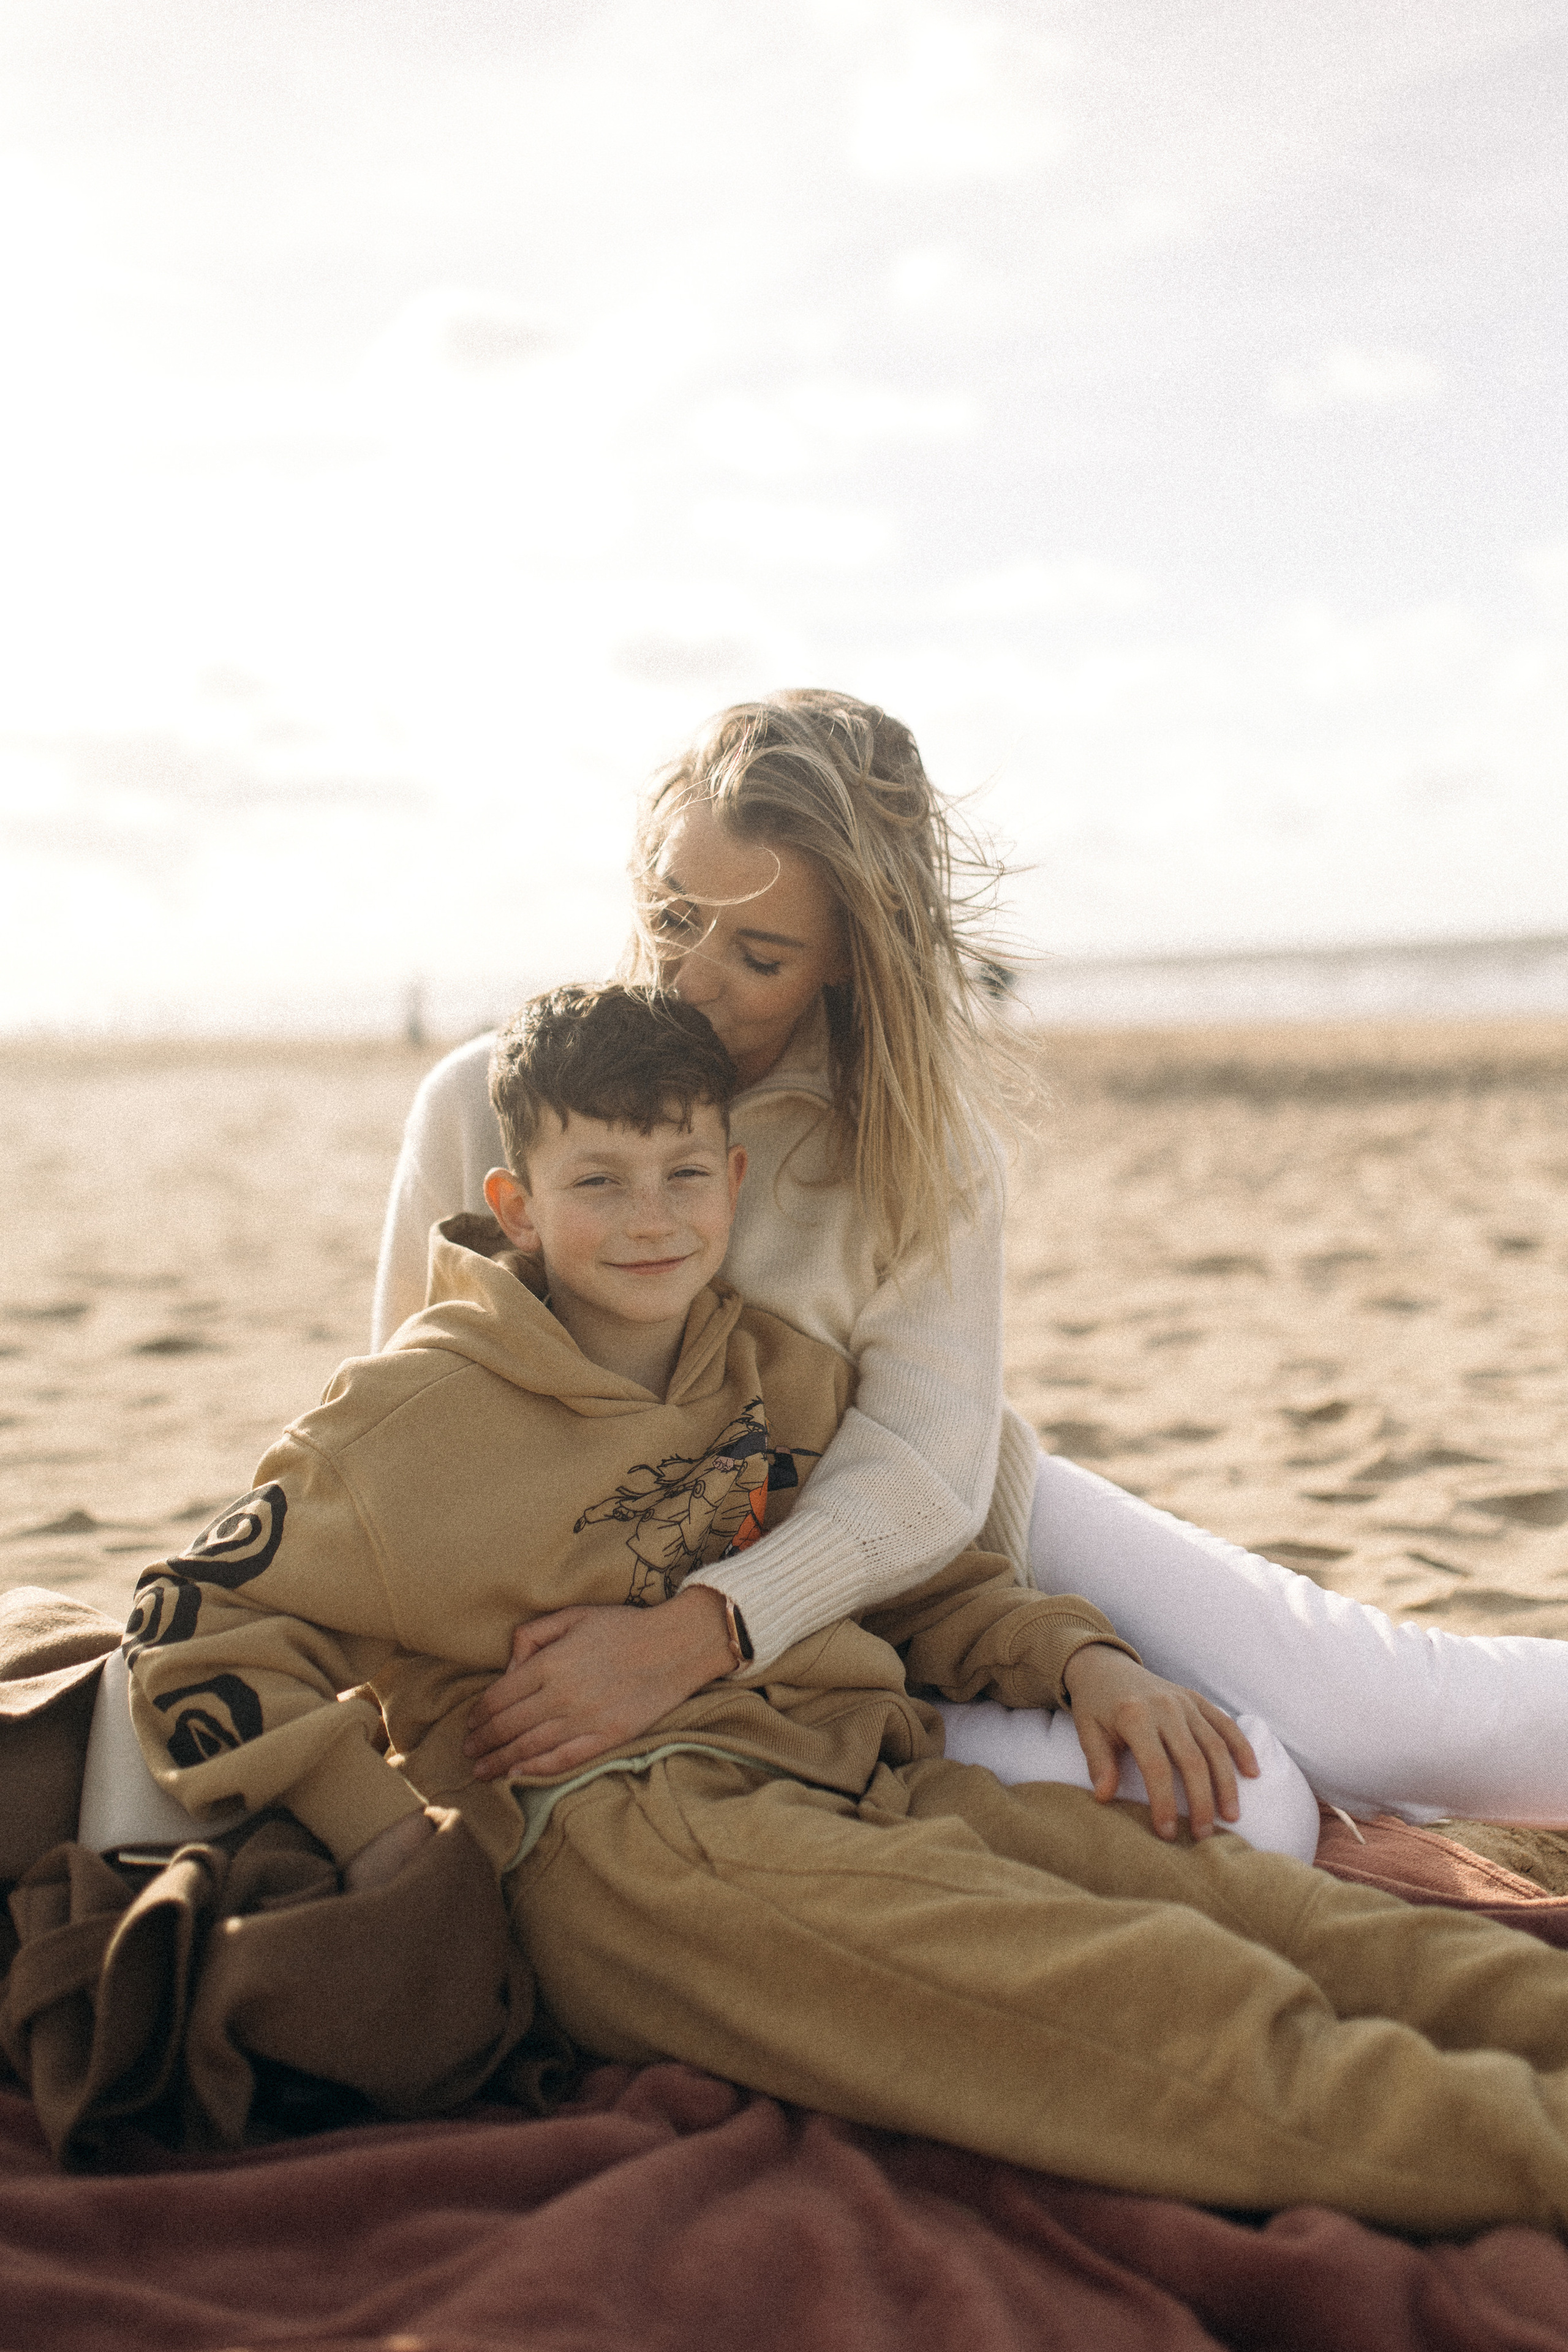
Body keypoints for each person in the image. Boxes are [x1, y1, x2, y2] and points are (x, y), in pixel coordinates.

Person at [126, 982, 1568, 2236]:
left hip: (857, 1773)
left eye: (683, 1176)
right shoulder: (407, 1421)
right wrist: (390, 1841)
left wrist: (1083, 1663)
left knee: (1252, 1909)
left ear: (735, 1180)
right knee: (1139, 1999)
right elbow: (192, 1623)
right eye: (601, 1182)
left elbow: (915, 1569)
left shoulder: (765, 1371)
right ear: (514, 1201)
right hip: (631, 1845)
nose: (650, 1220)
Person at [379, 691, 1568, 1829]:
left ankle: (1378, 1764)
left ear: (847, 955)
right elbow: (404, 1432)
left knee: (1380, 1704)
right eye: (676, 914)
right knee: (1252, 1807)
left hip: (942, 1540)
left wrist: (704, 1630)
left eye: (758, 953)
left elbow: (918, 1473)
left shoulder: (922, 1148)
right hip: (758, 1624)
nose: (690, 976)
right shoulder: (479, 1109)